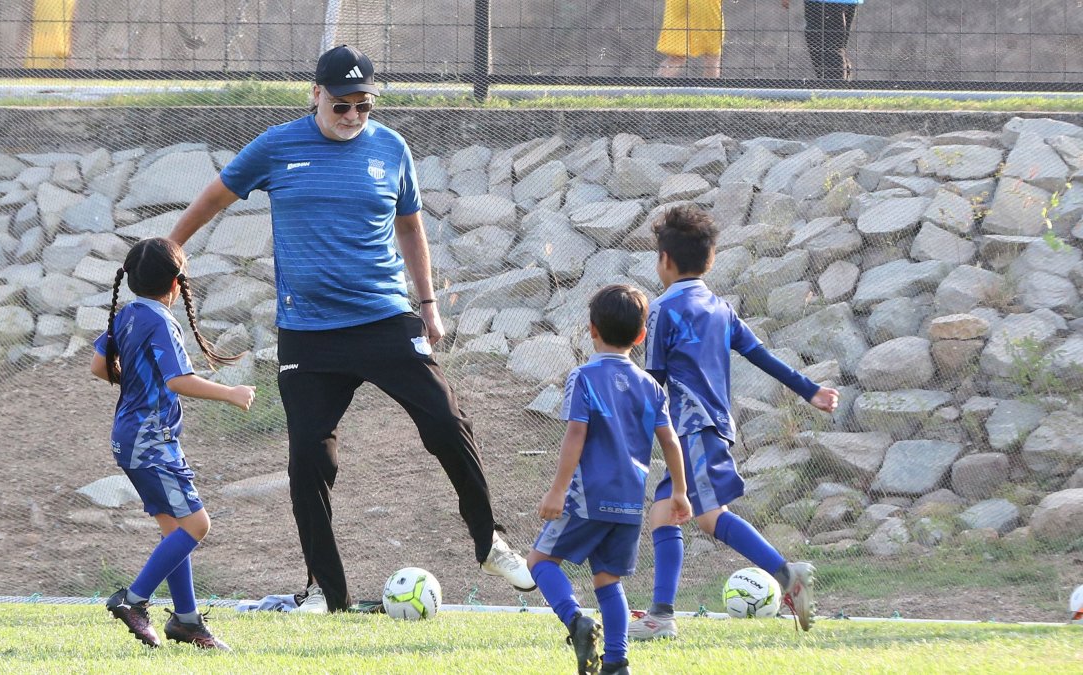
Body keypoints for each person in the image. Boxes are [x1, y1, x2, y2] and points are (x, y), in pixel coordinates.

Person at [166, 44, 536, 614]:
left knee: (445, 421)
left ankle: (490, 543)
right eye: (342, 105)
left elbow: (412, 229)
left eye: (363, 106)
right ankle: (325, 594)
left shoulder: (391, 148)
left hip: (385, 320)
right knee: (311, 460)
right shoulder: (276, 147)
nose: (353, 117)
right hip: (309, 335)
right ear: (315, 94)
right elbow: (214, 197)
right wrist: (172, 248)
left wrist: (429, 303)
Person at [627, 206, 839, 639]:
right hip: (711, 426)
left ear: (664, 260)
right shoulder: (720, 308)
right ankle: (662, 616)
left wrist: (627, 422)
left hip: (692, 427)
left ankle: (785, 574)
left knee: (707, 517)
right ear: (711, 259)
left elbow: (655, 381)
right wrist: (809, 390)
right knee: (665, 514)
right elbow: (760, 354)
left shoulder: (663, 311)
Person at [91, 237, 256, 650]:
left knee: (175, 532)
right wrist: (231, 392)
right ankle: (133, 600)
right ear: (176, 283)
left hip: (129, 438)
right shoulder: (162, 321)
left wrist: (135, 378)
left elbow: (98, 366)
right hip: (151, 440)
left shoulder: (127, 314)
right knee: (198, 526)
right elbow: (178, 380)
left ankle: (186, 621)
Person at [527, 284, 693, 675]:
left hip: (588, 497)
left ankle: (575, 621)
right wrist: (681, 491)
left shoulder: (584, 377)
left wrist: (557, 489)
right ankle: (616, 663)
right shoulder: (651, 386)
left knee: (539, 560)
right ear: (640, 336)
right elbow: (669, 441)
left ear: (591, 330)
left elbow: (575, 434)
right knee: (608, 580)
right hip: (630, 502)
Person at [783, 0, 864, 80]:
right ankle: (841, 87)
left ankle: (834, 88)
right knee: (835, 47)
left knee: (826, 48)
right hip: (847, 3)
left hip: (824, 3)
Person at [656, 0, 723, 79]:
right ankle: (710, 89)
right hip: (706, 8)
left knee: (677, 57)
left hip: (679, 7)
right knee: (712, 56)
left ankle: (657, 87)